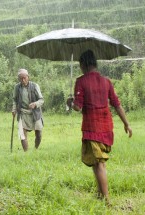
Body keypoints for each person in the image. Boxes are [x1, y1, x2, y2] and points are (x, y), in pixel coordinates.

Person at [66, 50, 132, 205]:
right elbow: (116, 104)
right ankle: (99, 193)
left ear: (83, 64)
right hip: (107, 127)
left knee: (99, 163)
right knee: (97, 162)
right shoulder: (106, 81)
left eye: (80, 65)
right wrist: (127, 123)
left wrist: (70, 102)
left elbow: (77, 107)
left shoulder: (81, 81)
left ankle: (107, 200)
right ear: (94, 63)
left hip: (92, 128)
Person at [12, 68, 44, 152]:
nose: (23, 80)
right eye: (21, 78)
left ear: (28, 77)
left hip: (35, 113)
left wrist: (35, 104)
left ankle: (35, 150)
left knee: (39, 134)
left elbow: (41, 100)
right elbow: (14, 100)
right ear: (18, 79)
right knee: (22, 135)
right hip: (22, 113)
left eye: (24, 78)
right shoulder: (17, 87)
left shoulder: (35, 86)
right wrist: (14, 109)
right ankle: (26, 153)